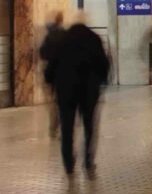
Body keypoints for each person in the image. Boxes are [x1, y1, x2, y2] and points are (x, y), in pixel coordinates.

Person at [47, 20, 110, 176]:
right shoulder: (94, 39)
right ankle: (88, 161)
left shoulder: (62, 41)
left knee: (67, 128)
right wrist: (101, 82)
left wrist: (52, 82)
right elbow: (104, 64)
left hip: (66, 92)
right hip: (88, 92)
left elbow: (50, 67)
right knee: (89, 127)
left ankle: (68, 163)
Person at [38, 12, 67, 138]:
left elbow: (42, 52)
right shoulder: (65, 35)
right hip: (63, 74)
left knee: (53, 103)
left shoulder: (49, 35)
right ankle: (62, 127)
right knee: (63, 102)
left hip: (51, 73)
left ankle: (53, 128)